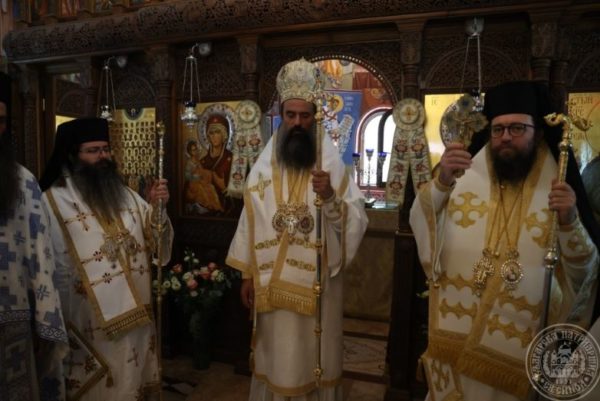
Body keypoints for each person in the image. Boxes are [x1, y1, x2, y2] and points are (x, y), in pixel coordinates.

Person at [409, 81, 599, 401]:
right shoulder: (467, 175)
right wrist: (441, 182)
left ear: (538, 132)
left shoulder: (557, 185)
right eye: (498, 129)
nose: (506, 137)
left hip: (517, 355)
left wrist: (569, 221)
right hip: (455, 341)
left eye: (517, 128)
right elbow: (422, 221)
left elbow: (585, 275)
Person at [226, 58, 368, 400]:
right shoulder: (263, 166)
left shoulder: (329, 161)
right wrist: (247, 275)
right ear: (281, 115)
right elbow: (250, 218)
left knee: (313, 357)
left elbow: (356, 220)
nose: (298, 123)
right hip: (272, 289)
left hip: (318, 290)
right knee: (278, 358)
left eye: (305, 116)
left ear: (315, 116)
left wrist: (330, 196)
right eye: (291, 115)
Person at [39, 117, 173, 401]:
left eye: (106, 149)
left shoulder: (124, 194)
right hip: (88, 322)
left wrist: (156, 207)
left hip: (136, 316)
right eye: (93, 150)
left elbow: (154, 239)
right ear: (73, 155)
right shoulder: (51, 202)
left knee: (131, 383)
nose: (103, 156)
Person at [0, 72, 68, 400]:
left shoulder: (23, 183)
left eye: (0, 120)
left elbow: (42, 254)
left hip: (11, 326)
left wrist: (45, 319)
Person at [184, 115, 233, 214]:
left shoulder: (232, 160)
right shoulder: (202, 162)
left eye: (217, 132)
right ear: (208, 136)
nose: (214, 136)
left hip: (226, 213)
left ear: (224, 134)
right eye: (211, 133)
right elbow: (188, 189)